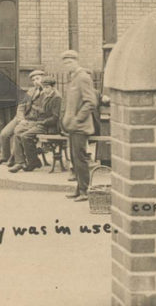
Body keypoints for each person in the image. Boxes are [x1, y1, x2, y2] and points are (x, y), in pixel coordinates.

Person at [59, 49, 98, 201]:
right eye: (65, 63)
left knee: (80, 159)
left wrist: (77, 119)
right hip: (72, 127)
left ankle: (84, 191)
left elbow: (91, 102)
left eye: (70, 62)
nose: (68, 65)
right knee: (75, 159)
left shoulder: (83, 77)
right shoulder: (73, 78)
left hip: (80, 127)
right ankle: (79, 189)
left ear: (76, 61)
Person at [9, 75, 62, 173]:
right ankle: (20, 162)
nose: (45, 90)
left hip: (49, 127)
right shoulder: (46, 95)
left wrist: (41, 122)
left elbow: (55, 117)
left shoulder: (56, 98)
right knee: (18, 132)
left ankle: (33, 162)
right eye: (44, 87)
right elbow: (43, 110)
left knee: (25, 136)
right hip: (41, 123)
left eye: (47, 87)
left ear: (52, 87)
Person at [0, 68, 45, 165]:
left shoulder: (47, 93)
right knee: (4, 134)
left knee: (18, 133)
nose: (35, 82)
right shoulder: (30, 91)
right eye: (33, 80)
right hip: (21, 118)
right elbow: (21, 107)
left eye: (37, 79)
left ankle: (15, 160)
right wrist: (21, 119)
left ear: (43, 78)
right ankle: (5, 156)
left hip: (33, 120)